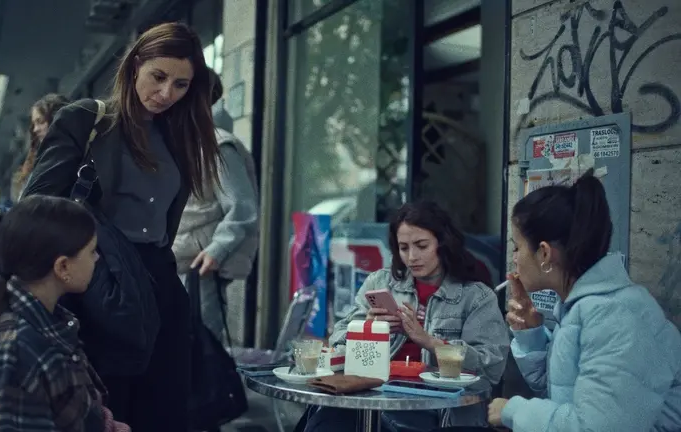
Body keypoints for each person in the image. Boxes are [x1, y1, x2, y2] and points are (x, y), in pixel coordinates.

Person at [20, 22, 220, 431]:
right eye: (158, 76)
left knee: (165, 414)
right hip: (99, 285)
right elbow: (35, 210)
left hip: (161, 287)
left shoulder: (179, 134)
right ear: (135, 65)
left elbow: (166, 224)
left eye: (181, 84)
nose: (166, 93)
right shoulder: (85, 120)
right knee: (108, 412)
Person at [488, 171, 681, 431]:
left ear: (544, 253)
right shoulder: (581, 307)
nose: (514, 259)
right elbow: (565, 392)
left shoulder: (615, 316)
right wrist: (532, 335)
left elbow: (597, 426)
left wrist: (512, 411)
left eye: (517, 247)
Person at [299, 201, 510, 431]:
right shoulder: (380, 282)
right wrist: (367, 329)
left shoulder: (476, 297)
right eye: (404, 247)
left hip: (438, 411)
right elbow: (337, 342)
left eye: (421, 246)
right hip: (374, 398)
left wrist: (429, 342)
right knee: (326, 420)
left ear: (443, 243)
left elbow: (491, 367)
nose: (412, 257)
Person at [0, 195, 130, 431]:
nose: (97, 259)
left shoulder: (47, 322)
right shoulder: (15, 357)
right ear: (62, 267)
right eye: (92, 251)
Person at [173, 68, 258, 343]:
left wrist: (216, 251)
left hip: (199, 268)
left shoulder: (218, 145)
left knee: (201, 346)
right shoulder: (179, 142)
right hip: (173, 262)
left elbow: (242, 206)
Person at [14, 93, 70, 197]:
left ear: (55, 119)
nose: (35, 129)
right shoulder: (40, 159)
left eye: (40, 121)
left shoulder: (67, 158)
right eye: (34, 124)